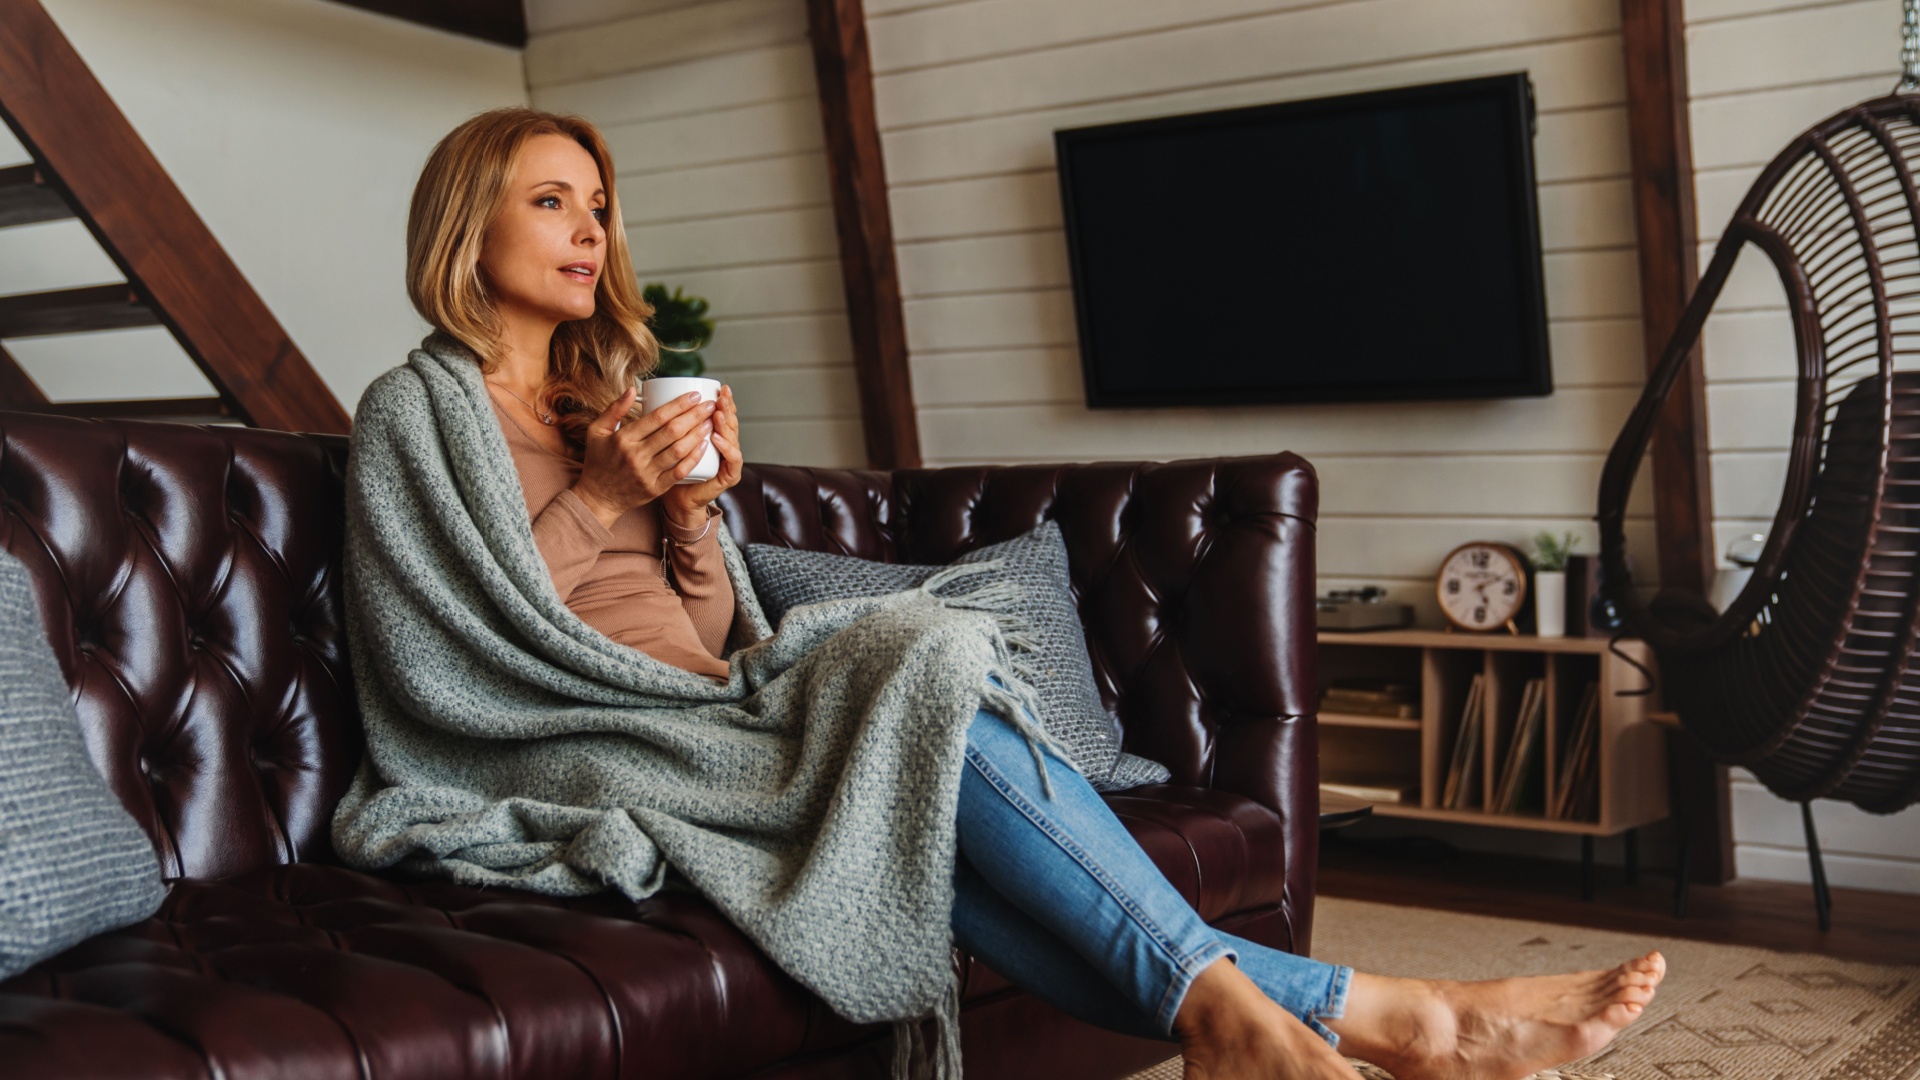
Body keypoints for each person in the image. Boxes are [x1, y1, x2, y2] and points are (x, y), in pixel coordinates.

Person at [392, 106, 1665, 1080]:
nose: (590, 232)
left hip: (713, 708)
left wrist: (686, 512)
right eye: (552, 202)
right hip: (570, 747)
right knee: (911, 657)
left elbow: (715, 632)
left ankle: (1326, 1019)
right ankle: (1381, 1014)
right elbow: (461, 640)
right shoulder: (417, 409)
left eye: (599, 207)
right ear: (467, 224)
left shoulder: (605, 400)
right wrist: (613, 496)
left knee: (915, 757)